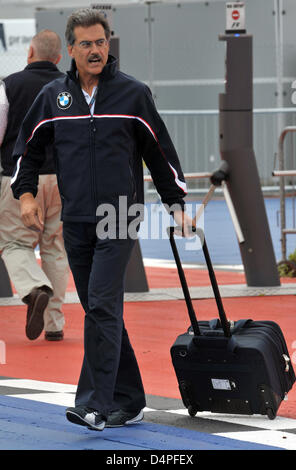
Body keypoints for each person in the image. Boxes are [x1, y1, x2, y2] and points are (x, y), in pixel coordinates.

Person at [11, 8, 192, 431]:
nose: (96, 50)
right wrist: (25, 196)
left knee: (102, 306)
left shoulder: (133, 94)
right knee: (99, 307)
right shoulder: (54, 96)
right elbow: (28, 150)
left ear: (109, 44)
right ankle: (129, 399)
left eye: (102, 42)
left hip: (119, 216)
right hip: (75, 218)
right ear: (70, 50)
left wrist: (177, 204)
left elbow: (159, 153)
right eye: (86, 44)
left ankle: (94, 404)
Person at [0, 30, 69, 342]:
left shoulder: (9, 86)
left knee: (14, 243)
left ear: (29, 53)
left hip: (19, 178)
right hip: (64, 179)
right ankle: (54, 324)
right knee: (55, 249)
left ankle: (33, 289)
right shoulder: (70, 86)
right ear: (58, 58)